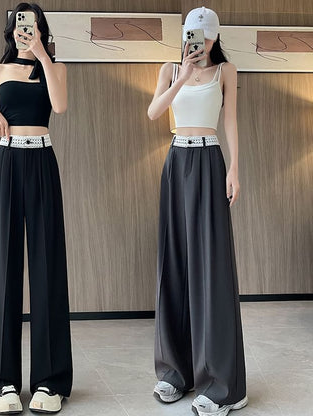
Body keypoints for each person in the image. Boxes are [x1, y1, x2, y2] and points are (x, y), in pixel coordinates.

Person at [0, 2, 72, 414]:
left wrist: (43, 55)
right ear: (10, 30)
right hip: (8, 161)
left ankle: (50, 382)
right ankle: (2, 383)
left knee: (48, 267)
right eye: (17, 24)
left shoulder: (55, 68)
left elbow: (59, 107)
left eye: (29, 25)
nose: (22, 31)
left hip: (42, 161)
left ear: (40, 29)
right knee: (3, 267)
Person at [148, 7, 248, 416]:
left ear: (215, 37)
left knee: (211, 269)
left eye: (205, 37)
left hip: (209, 162)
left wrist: (234, 169)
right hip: (176, 162)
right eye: (193, 35)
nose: (199, 43)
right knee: (174, 264)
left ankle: (222, 385)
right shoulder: (170, 69)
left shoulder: (226, 71)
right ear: (185, 35)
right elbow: (155, 112)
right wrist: (184, 76)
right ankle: (175, 373)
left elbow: (230, 122)